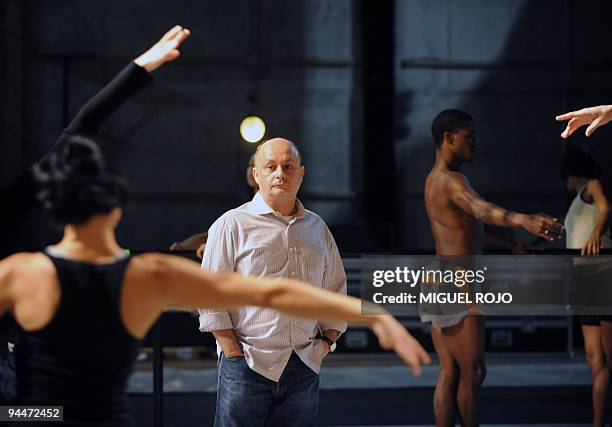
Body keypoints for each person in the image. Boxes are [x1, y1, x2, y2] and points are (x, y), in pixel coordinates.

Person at [0, 26, 431, 427]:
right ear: (116, 207)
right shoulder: (147, 275)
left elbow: (75, 134)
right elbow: (275, 291)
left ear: (52, 203)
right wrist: (377, 318)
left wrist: (140, 70)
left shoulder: (20, 273)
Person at [423, 109, 564, 427]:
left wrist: (510, 245)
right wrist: (525, 220)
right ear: (449, 139)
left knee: (451, 371)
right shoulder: (451, 181)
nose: (476, 141)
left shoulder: (434, 180)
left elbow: (466, 226)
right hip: (457, 280)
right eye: (469, 136)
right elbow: (480, 209)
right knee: (473, 371)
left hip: (439, 275)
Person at [198, 138, 349, 426]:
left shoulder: (317, 228)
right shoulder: (231, 224)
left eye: (288, 167)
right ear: (257, 175)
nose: (280, 173)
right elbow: (209, 296)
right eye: (271, 167)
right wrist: (232, 354)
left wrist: (326, 343)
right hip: (247, 363)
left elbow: (335, 289)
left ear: (301, 174)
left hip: (303, 365)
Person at [562, 143, 612, 427]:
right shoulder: (577, 201)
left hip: (603, 274)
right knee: (595, 359)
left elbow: (605, 208)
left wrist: (596, 233)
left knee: (608, 356)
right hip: (585, 282)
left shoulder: (593, 185)